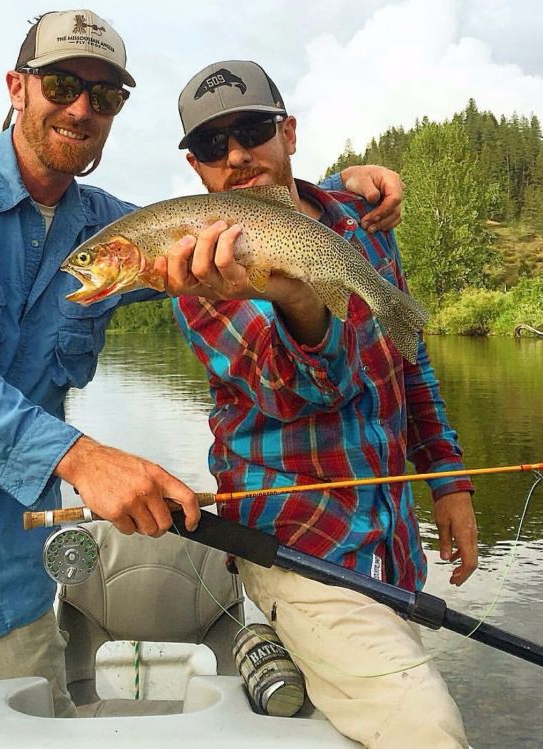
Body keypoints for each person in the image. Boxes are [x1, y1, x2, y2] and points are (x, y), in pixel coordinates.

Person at [0, 10, 405, 745]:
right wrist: (82, 458)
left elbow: (232, 219)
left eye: (106, 95)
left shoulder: (115, 230)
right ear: (16, 88)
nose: (81, 107)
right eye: (62, 84)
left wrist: (340, 192)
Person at [156, 60, 479, 749]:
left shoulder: (359, 216)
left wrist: (446, 479)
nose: (237, 154)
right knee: (428, 731)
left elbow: (409, 359)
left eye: (252, 129)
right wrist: (300, 298)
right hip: (295, 549)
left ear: (289, 132)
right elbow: (308, 389)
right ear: (197, 168)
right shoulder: (195, 274)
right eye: (214, 145)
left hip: (391, 547)